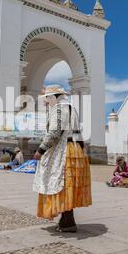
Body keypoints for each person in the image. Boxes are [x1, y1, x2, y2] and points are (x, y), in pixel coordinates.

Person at [33, 85, 92, 233]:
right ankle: (67, 220)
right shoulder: (71, 109)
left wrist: (41, 150)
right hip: (75, 149)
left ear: (54, 97)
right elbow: (78, 133)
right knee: (67, 186)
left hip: (64, 151)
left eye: (48, 99)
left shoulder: (59, 109)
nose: (47, 102)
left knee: (60, 183)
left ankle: (67, 221)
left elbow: (54, 132)